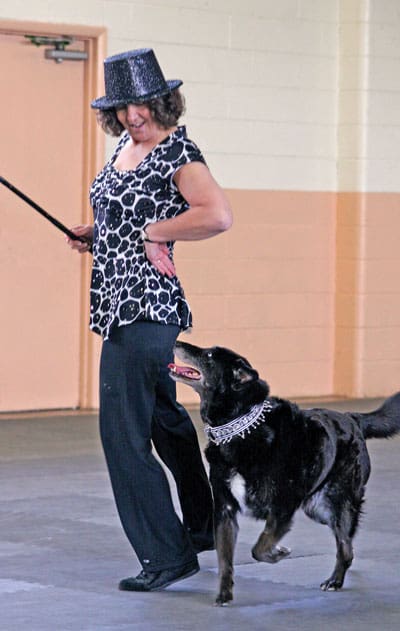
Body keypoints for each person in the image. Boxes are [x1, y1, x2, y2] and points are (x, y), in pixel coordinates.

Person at [67, 48, 232, 592]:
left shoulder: (177, 150)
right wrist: (100, 231)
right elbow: (133, 214)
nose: (132, 115)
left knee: (122, 434)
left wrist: (159, 233)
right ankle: (204, 526)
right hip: (118, 304)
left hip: (146, 308)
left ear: (162, 99)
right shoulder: (123, 148)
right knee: (164, 419)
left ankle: (166, 556)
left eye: (141, 104)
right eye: (121, 107)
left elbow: (215, 215)